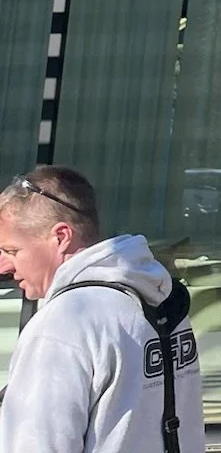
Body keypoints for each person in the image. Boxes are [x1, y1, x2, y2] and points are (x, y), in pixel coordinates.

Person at [0, 167, 203, 453]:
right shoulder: (159, 300)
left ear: (61, 236)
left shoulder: (63, 324)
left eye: (11, 251)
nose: (3, 267)